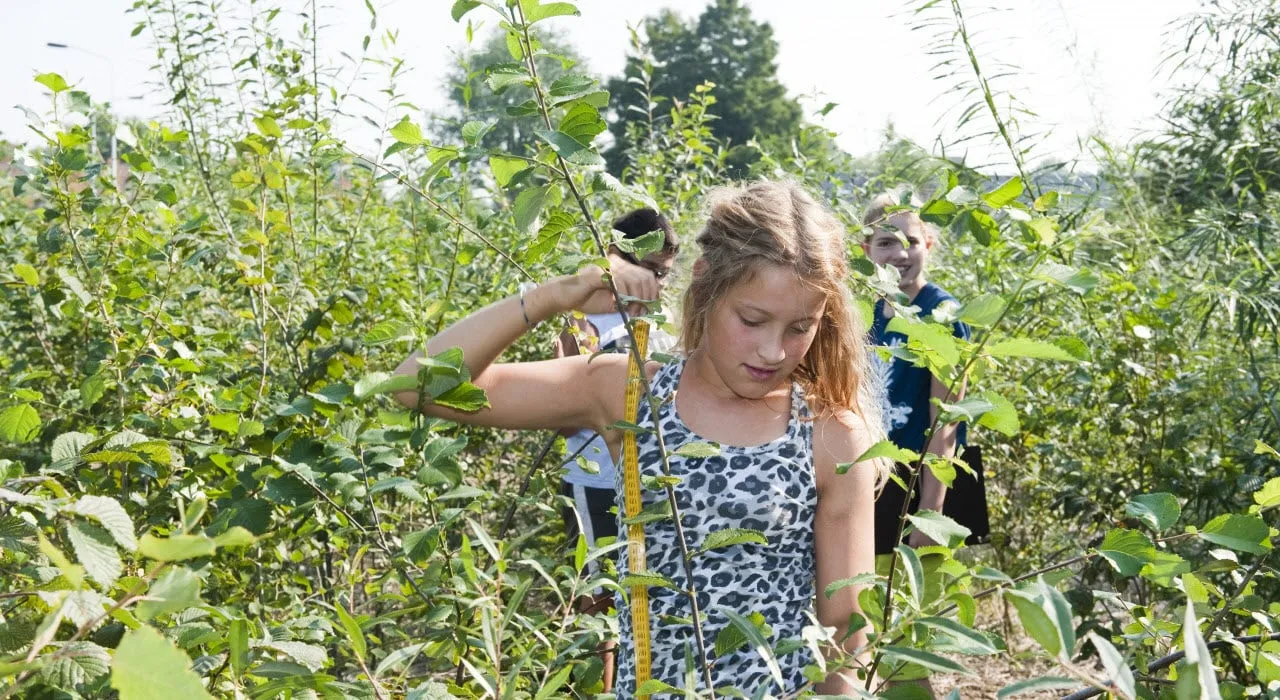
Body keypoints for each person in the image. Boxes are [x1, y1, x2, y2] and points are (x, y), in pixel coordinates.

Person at [393, 180, 886, 698]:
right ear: (704, 285)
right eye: (752, 319)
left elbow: (847, 632)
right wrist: (554, 295)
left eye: (799, 327)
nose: (772, 350)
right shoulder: (629, 392)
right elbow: (418, 385)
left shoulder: (829, 434)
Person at [553, 207, 679, 692]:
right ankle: (595, 688)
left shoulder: (664, 325)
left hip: (649, 486)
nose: (655, 283)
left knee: (642, 597)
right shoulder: (587, 319)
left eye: (663, 273)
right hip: (596, 481)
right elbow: (566, 403)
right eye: (645, 270)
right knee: (597, 599)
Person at [861, 191, 971, 693]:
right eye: (887, 242)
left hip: (920, 479)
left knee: (906, 637)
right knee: (860, 619)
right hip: (864, 476)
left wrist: (929, 513)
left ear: (929, 243)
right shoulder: (858, 310)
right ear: (867, 249)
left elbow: (944, 421)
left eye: (911, 241)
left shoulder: (941, 313)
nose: (900, 253)